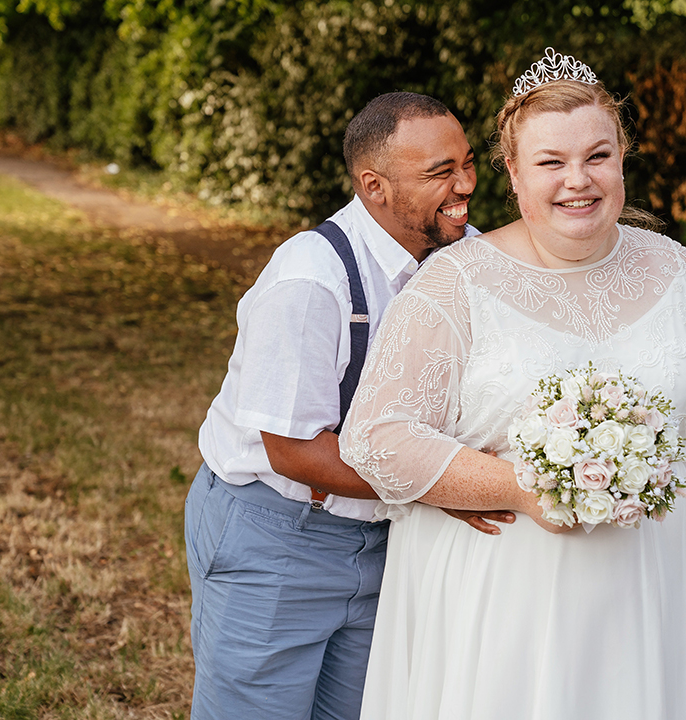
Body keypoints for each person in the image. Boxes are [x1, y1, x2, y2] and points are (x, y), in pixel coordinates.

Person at [340, 49, 686, 719]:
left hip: (658, 591)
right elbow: (374, 438)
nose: (579, 180)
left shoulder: (682, 276)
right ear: (513, 172)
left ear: (622, 158)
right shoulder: (456, 284)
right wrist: (523, 487)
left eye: (598, 156)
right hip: (507, 603)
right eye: (551, 162)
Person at [184, 91, 512, 720]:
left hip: (390, 540)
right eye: (440, 173)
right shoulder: (311, 279)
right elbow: (294, 450)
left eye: (467, 163)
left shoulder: (467, 257)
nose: (466, 184)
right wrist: (447, 484)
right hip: (277, 537)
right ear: (374, 186)